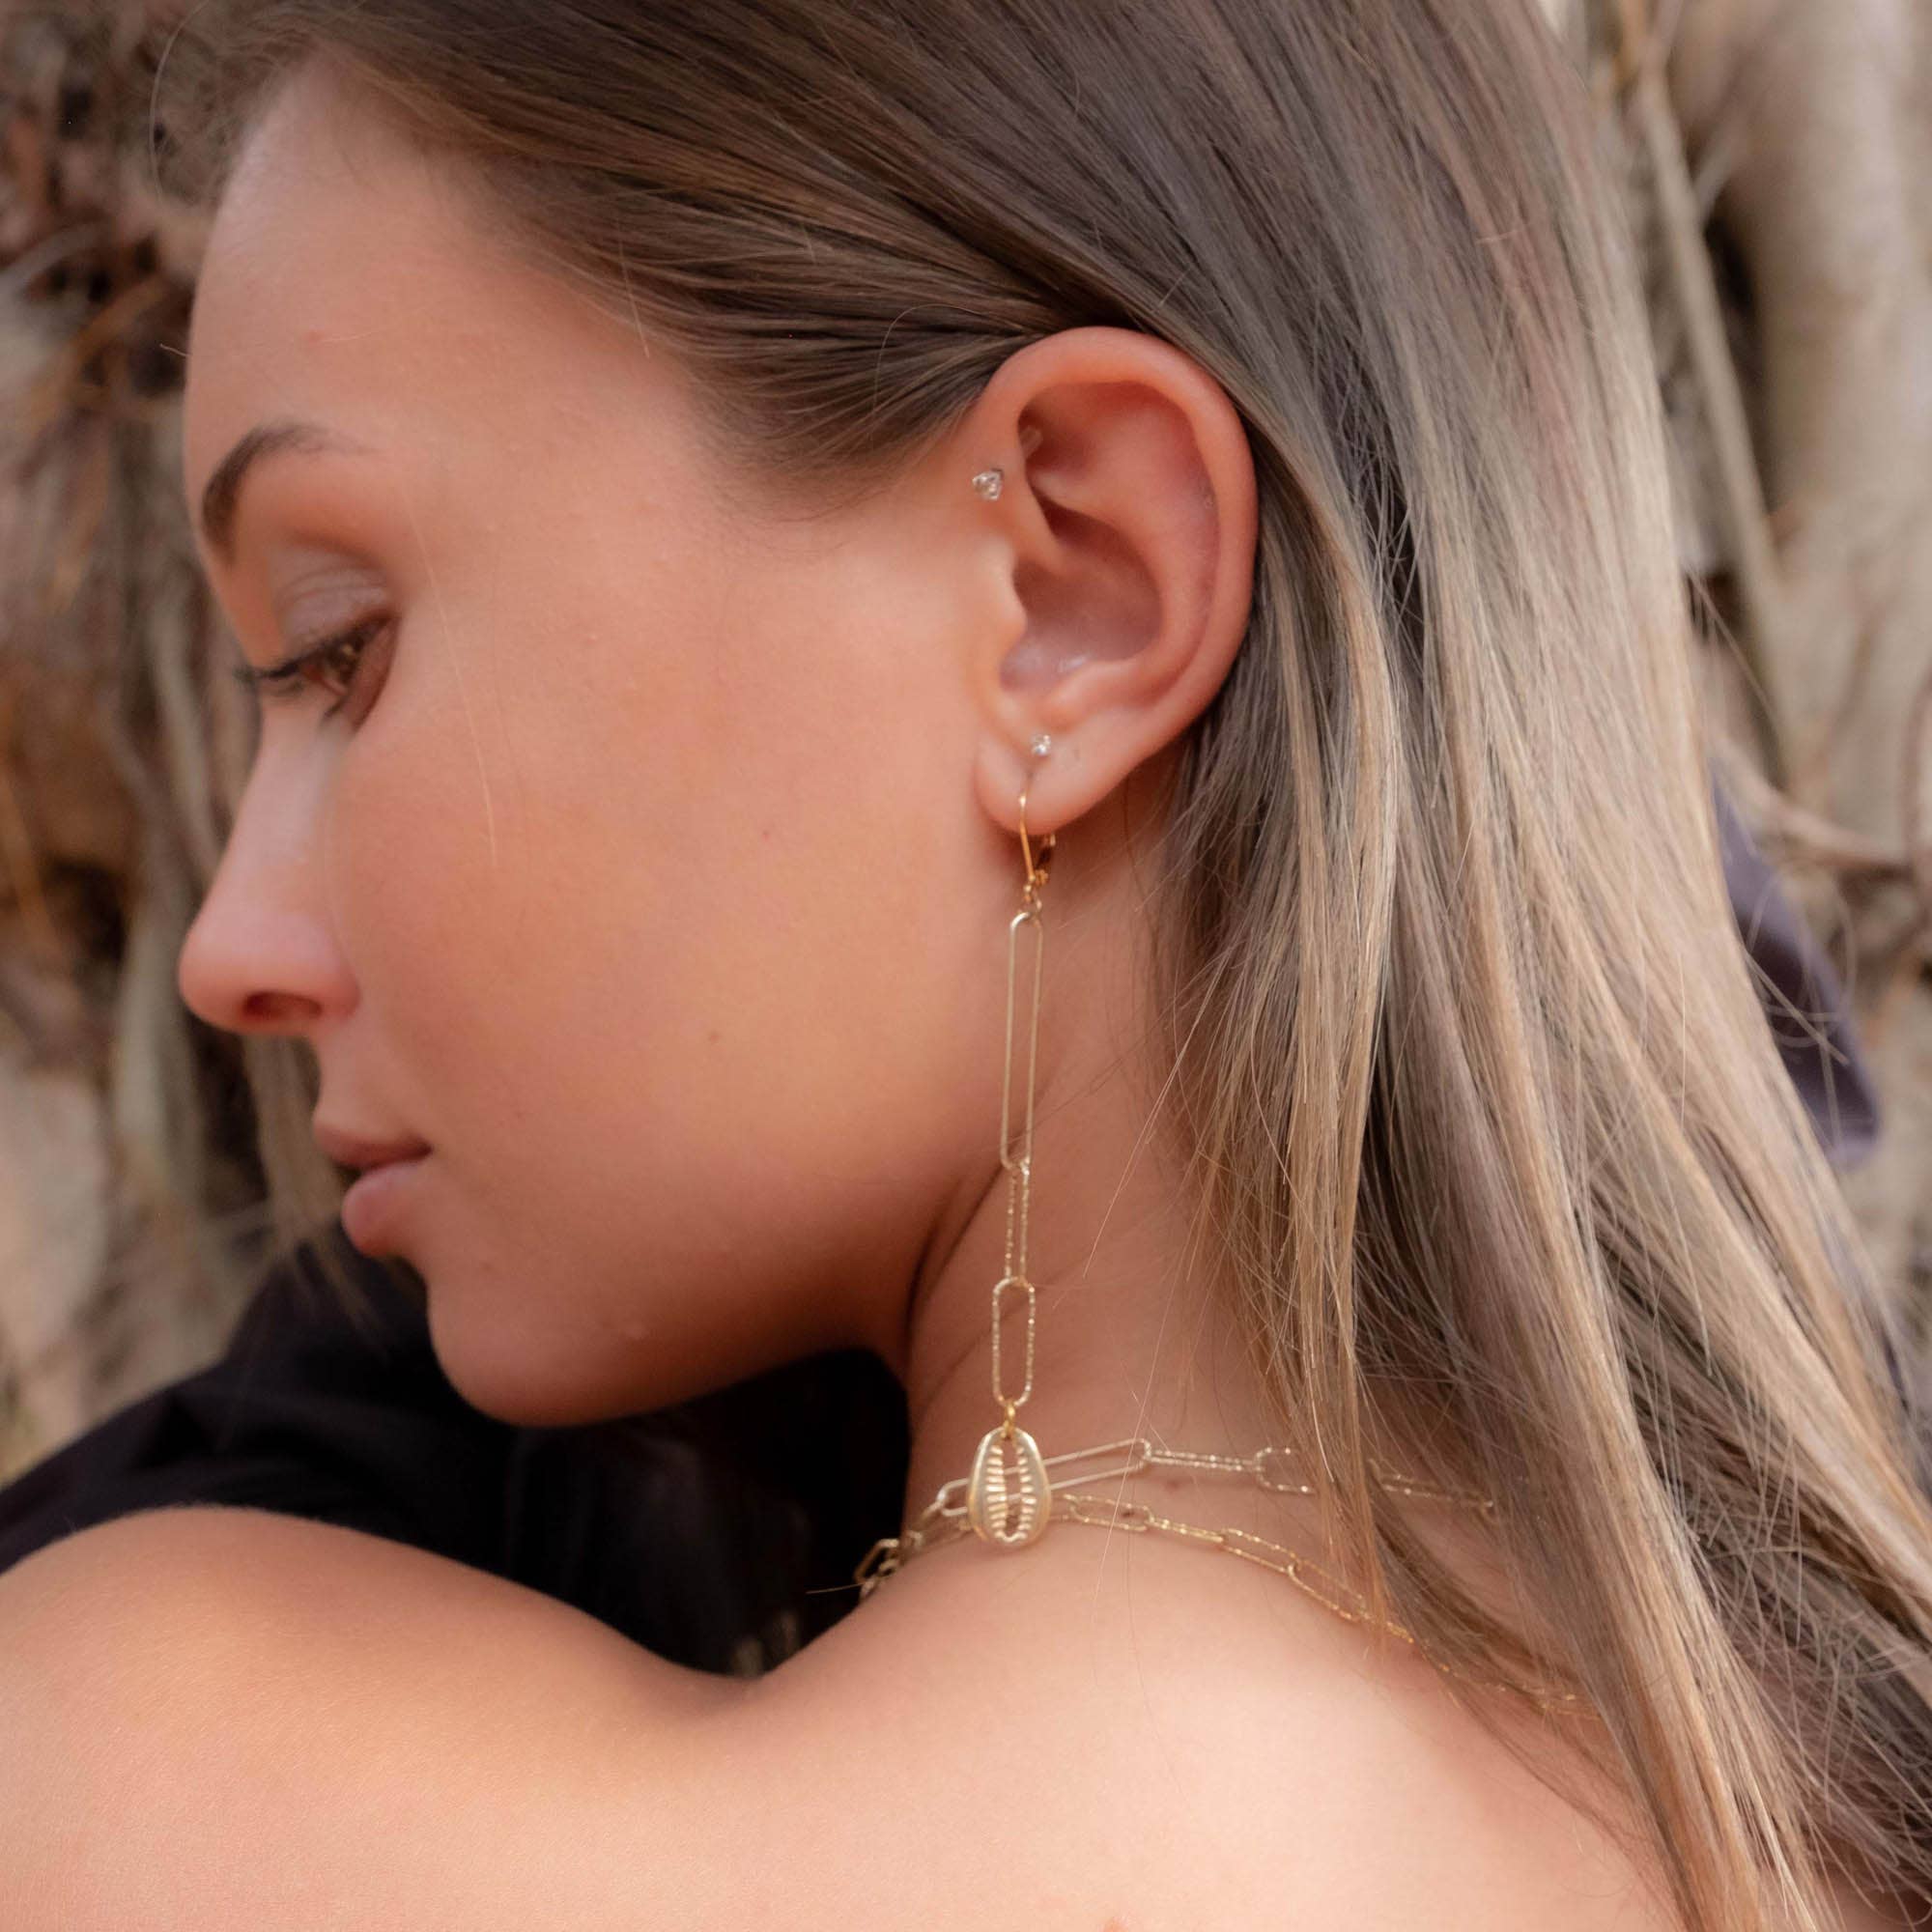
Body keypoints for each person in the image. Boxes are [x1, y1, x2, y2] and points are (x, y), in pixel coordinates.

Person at [1, 3, 1927, 1926]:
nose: (232, 951)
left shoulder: (145, 1787)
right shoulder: (1844, 1826)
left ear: (1070, 586)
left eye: (341, 646)